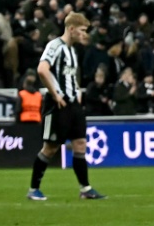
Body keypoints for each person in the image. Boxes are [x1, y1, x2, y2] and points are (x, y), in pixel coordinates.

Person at [30, 11, 106, 202]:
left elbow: (70, 77)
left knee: (81, 144)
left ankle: (85, 188)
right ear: (71, 29)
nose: (84, 34)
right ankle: (33, 189)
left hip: (73, 104)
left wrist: (77, 95)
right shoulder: (55, 46)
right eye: (81, 30)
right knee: (50, 148)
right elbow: (42, 69)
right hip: (57, 103)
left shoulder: (72, 51)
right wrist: (55, 93)